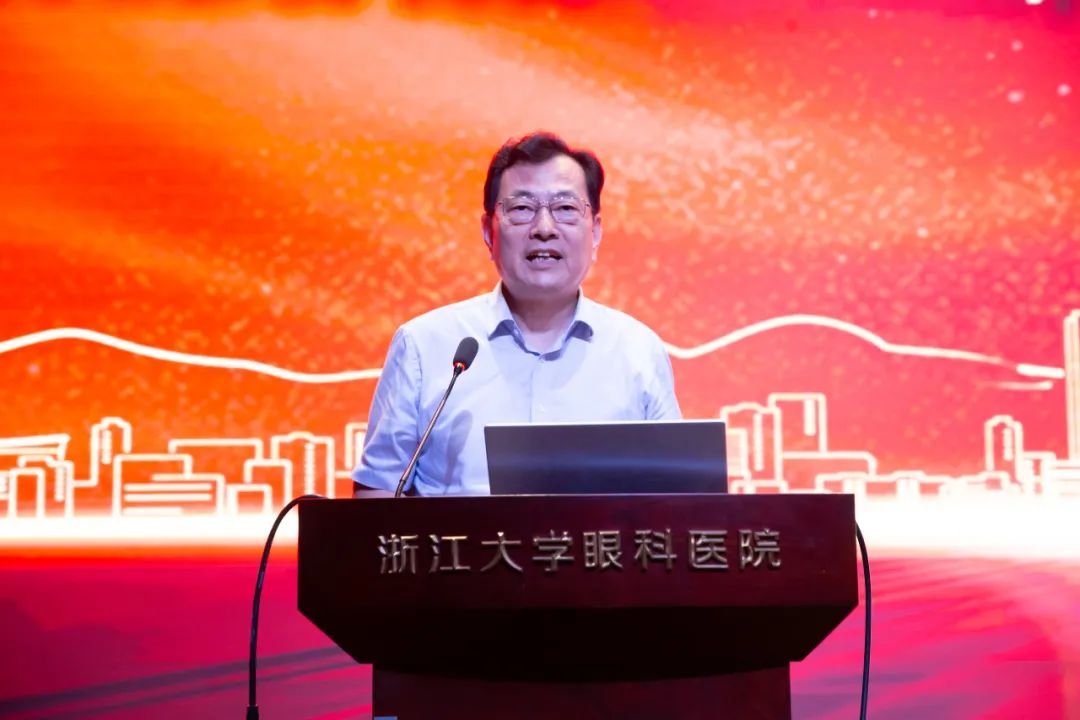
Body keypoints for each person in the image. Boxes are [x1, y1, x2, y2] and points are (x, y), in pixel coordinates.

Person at [352, 131, 681, 496]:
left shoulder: (638, 350)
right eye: (522, 208)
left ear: (596, 231)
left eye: (566, 208)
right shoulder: (424, 346)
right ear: (488, 231)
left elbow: (676, 499)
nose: (544, 229)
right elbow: (378, 493)